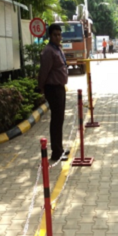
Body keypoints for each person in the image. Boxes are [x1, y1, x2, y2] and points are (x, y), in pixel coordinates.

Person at [37, 23, 70, 161]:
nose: (58, 37)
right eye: (55, 35)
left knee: (59, 119)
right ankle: (56, 152)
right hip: (53, 88)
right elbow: (44, 72)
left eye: (59, 35)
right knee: (56, 120)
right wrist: (40, 88)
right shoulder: (48, 51)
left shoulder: (57, 49)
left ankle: (59, 148)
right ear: (50, 36)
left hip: (60, 88)